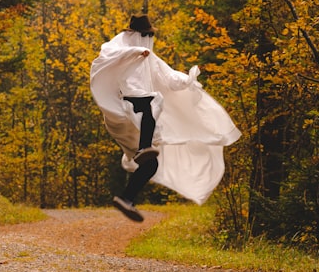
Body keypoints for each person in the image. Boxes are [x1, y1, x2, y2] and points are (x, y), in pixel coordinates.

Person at [90, 14, 241, 221]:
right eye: (143, 35)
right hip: (123, 106)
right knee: (153, 101)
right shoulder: (122, 45)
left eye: (148, 36)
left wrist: (188, 80)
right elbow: (107, 55)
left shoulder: (149, 57)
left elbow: (168, 76)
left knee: (151, 164)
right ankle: (144, 147)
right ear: (134, 34)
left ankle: (126, 198)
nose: (146, 39)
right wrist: (135, 51)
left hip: (137, 122)